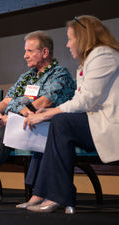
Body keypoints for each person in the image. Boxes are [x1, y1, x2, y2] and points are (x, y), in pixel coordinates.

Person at [0, 31, 76, 203]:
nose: (25, 55)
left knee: (4, 133)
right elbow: (6, 101)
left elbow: (44, 102)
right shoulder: (26, 77)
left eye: (30, 51)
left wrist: (14, 118)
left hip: (37, 124)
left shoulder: (59, 74)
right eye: (25, 51)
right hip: (11, 121)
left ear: (44, 52)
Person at [21, 15, 119, 214]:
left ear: (84, 37)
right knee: (56, 122)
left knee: (61, 122)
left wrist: (48, 114)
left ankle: (57, 196)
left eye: (70, 38)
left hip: (109, 125)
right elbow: (78, 100)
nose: (67, 44)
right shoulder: (87, 61)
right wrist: (48, 111)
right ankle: (42, 192)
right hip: (94, 122)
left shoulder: (103, 55)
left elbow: (86, 101)